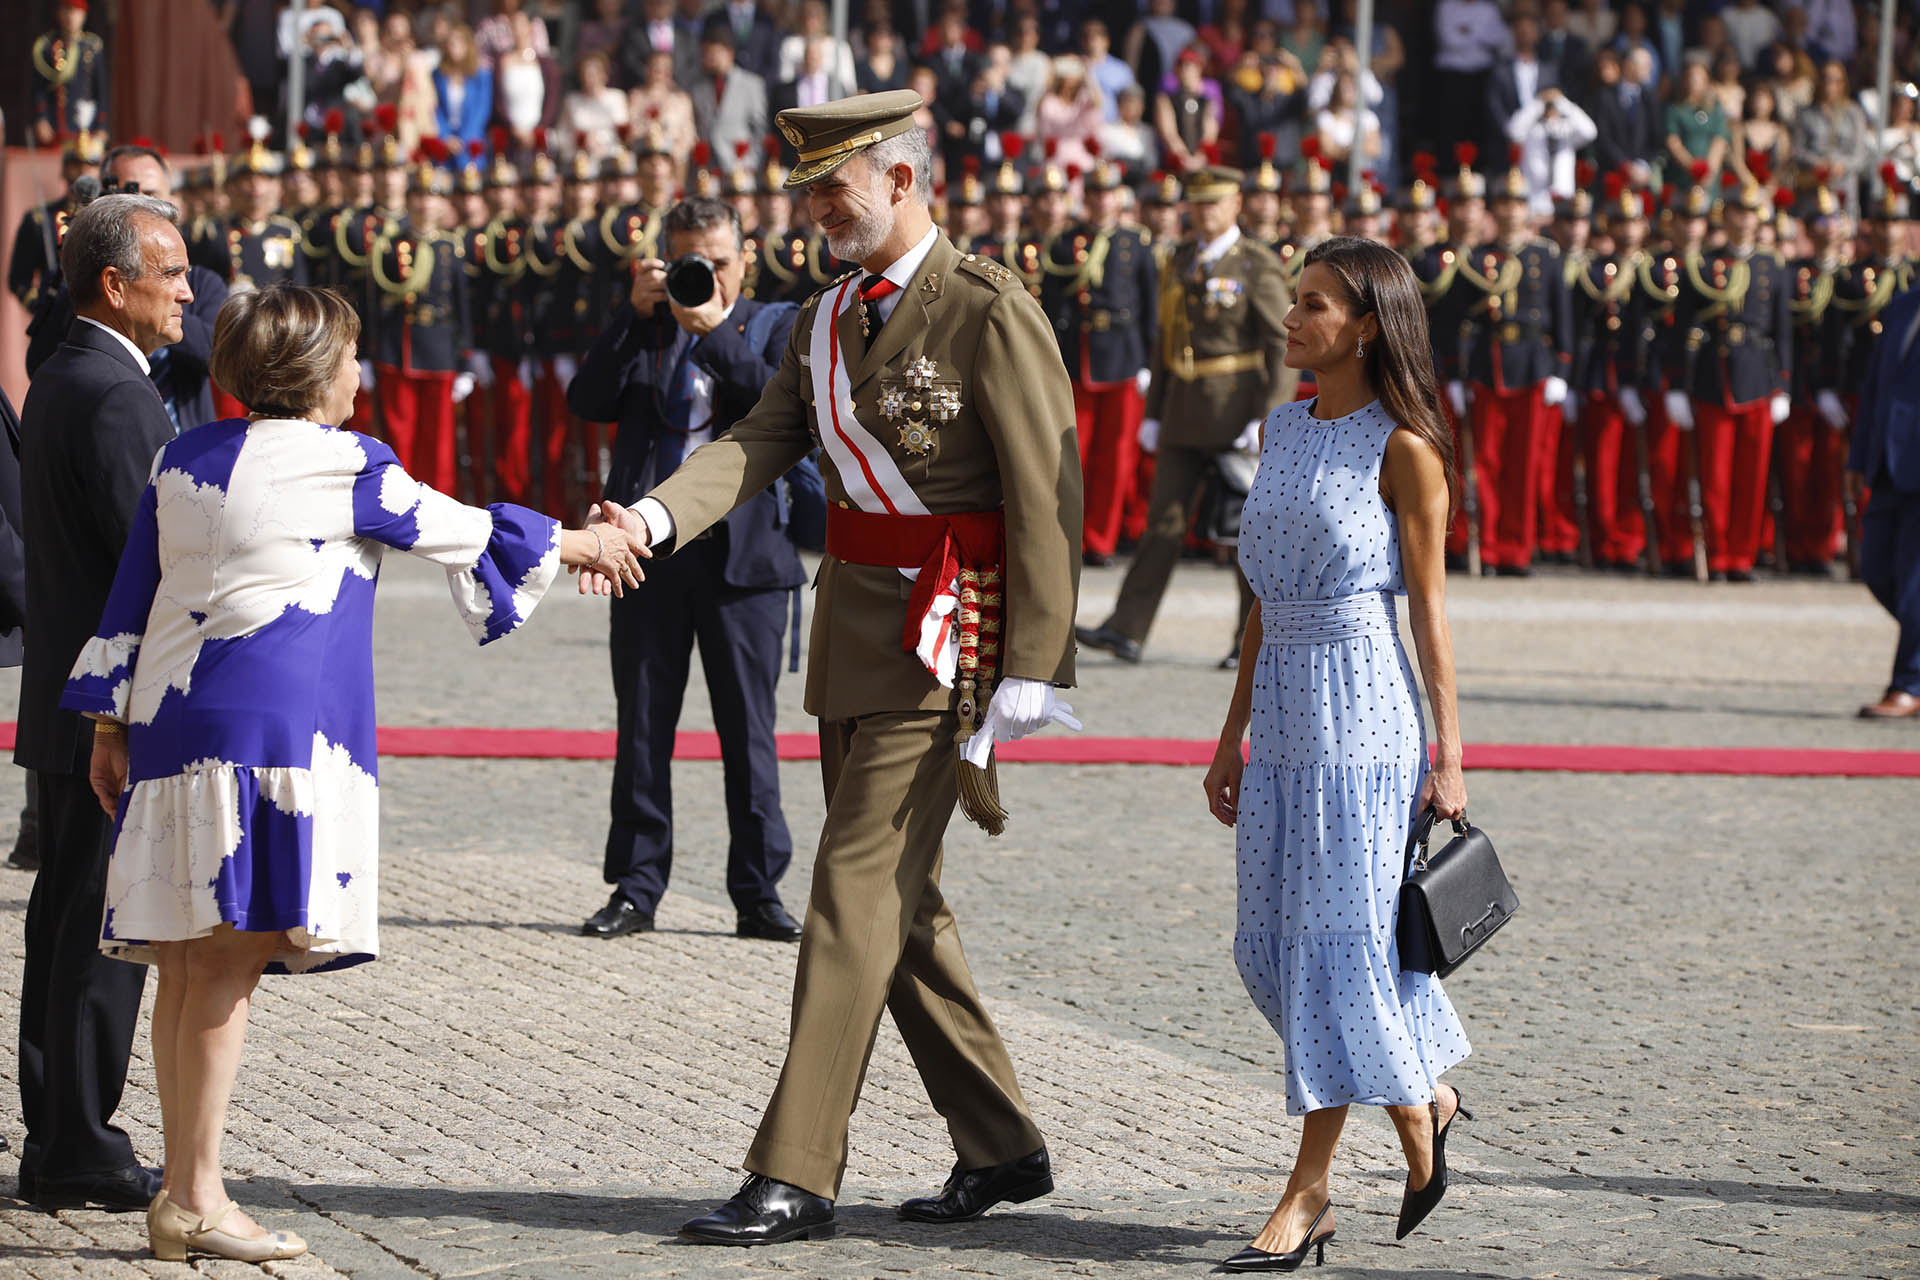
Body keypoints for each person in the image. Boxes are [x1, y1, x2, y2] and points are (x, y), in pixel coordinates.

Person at [59, 282, 645, 1262]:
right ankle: (198, 1196)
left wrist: (106, 729)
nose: (363, 372)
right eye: (353, 355)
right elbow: (466, 528)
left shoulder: (182, 452)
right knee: (228, 962)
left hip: (169, 727)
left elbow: (131, 597)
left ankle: (179, 1188)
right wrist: (594, 541)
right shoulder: (350, 464)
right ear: (318, 370)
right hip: (266, 743)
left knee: (187, 960)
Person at [593, 89, 1082, 1246]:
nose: (817, 211)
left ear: (905, 181)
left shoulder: (986, 307)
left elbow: (1046, 490)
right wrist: (653, 524)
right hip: (855, 634)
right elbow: (760, 441)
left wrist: (1035, 660)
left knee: (850, 889)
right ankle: (1002, 1142)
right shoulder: (819, 322)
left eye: (836, 190)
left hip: (945, 640)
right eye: (806, 192)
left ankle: (796, 1167)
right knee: (898, 908)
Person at [1200, 236, 1472, 1272]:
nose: (1293, 317)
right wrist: (1231, 734)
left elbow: (1433, 618)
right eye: (1295, 300)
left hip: (1366, 714)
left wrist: (1450, 756)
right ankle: (1425, 1094)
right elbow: (1262, 600)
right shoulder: (1279, 427)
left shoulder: (1405, 447)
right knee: (1270, 946)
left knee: (1335, 947)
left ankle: (1308, 1190)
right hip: (1282, 712)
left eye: (1313, 305)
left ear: (1365, 325)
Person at [566, 196, 810, 943]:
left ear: (748, 259)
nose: (704, 275)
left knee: (749, 731)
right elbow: (588, 399)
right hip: (645, 554)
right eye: (686, 263)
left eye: (718, 261)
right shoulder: (648, 325)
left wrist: (713, 331)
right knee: (642, 727)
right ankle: (636, 886)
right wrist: (635, 316)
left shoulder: (774, 323)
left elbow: (783, 407)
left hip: (746, 559)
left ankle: (758, 891)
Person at [13, 193, 191, 1214]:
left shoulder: (64, 371)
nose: (185, 289)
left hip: (65, 697)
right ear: (114, 285)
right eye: (167, 272)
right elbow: (155, 553)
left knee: (66, 917)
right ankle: (79, 1139)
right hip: (105, 710)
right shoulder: (117, 395)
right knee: (97, 930)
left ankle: (57, 1131)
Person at [1078, 164, 1298, 666]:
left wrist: (1267, 415)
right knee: (1163, 525)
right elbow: (1167, 341)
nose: (1205, 213)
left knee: (1246, 534)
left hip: (1235, 413)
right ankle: (1127, 627)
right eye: (1198, 204)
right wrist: (1154, 411)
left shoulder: (1255, 264)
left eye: (1215, 203)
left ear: (1236, 204)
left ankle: (1251, 642)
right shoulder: (1179, 259)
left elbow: (1280, 342)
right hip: (1182, 410)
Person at [1849, 225, 1920, 719]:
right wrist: (1859, 459)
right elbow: (1875, 388)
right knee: (1876, 567)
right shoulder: (1901, 306)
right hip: (1892, 463)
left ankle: (1909, 684)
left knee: (1916, 579)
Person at [30, 0, 107, 146]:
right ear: (59, 13)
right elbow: (39, 88)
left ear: (84, 15)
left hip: (84, 124)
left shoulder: (92, 47)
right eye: (66, 10)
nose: (70, 17)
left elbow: (100, 91)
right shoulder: (46, 46)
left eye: (75, 11)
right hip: (55, 124)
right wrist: (41, 118)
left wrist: (102, 126)